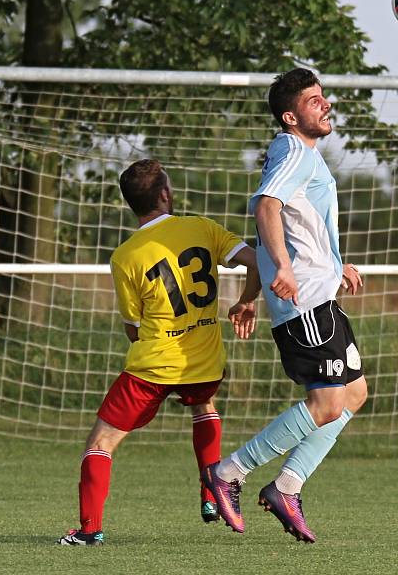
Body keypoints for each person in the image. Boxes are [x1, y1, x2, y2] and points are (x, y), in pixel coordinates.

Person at [57, 159, 261, 546]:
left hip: (153, 367)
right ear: (165, 194)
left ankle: (88, 531)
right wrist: (248, 301)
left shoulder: (126, 255)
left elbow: (132, 328)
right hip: (206, 362)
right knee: (205, 407)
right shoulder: (201, 227)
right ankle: (210, 497)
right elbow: (255, 262)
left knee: (100, 443)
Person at [202, 68, 367, 544]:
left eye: (323, 97)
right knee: (326, 402)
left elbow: (284, 230)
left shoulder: (296, 153)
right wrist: (286, 272)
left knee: (353, 395)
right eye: (314, 101)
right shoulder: (294, 150)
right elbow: (266, 209)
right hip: (307, 301)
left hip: (317, 291)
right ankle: (230, 472)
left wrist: (254, 293)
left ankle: (287, 486)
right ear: (291, 116)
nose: (326, 104)